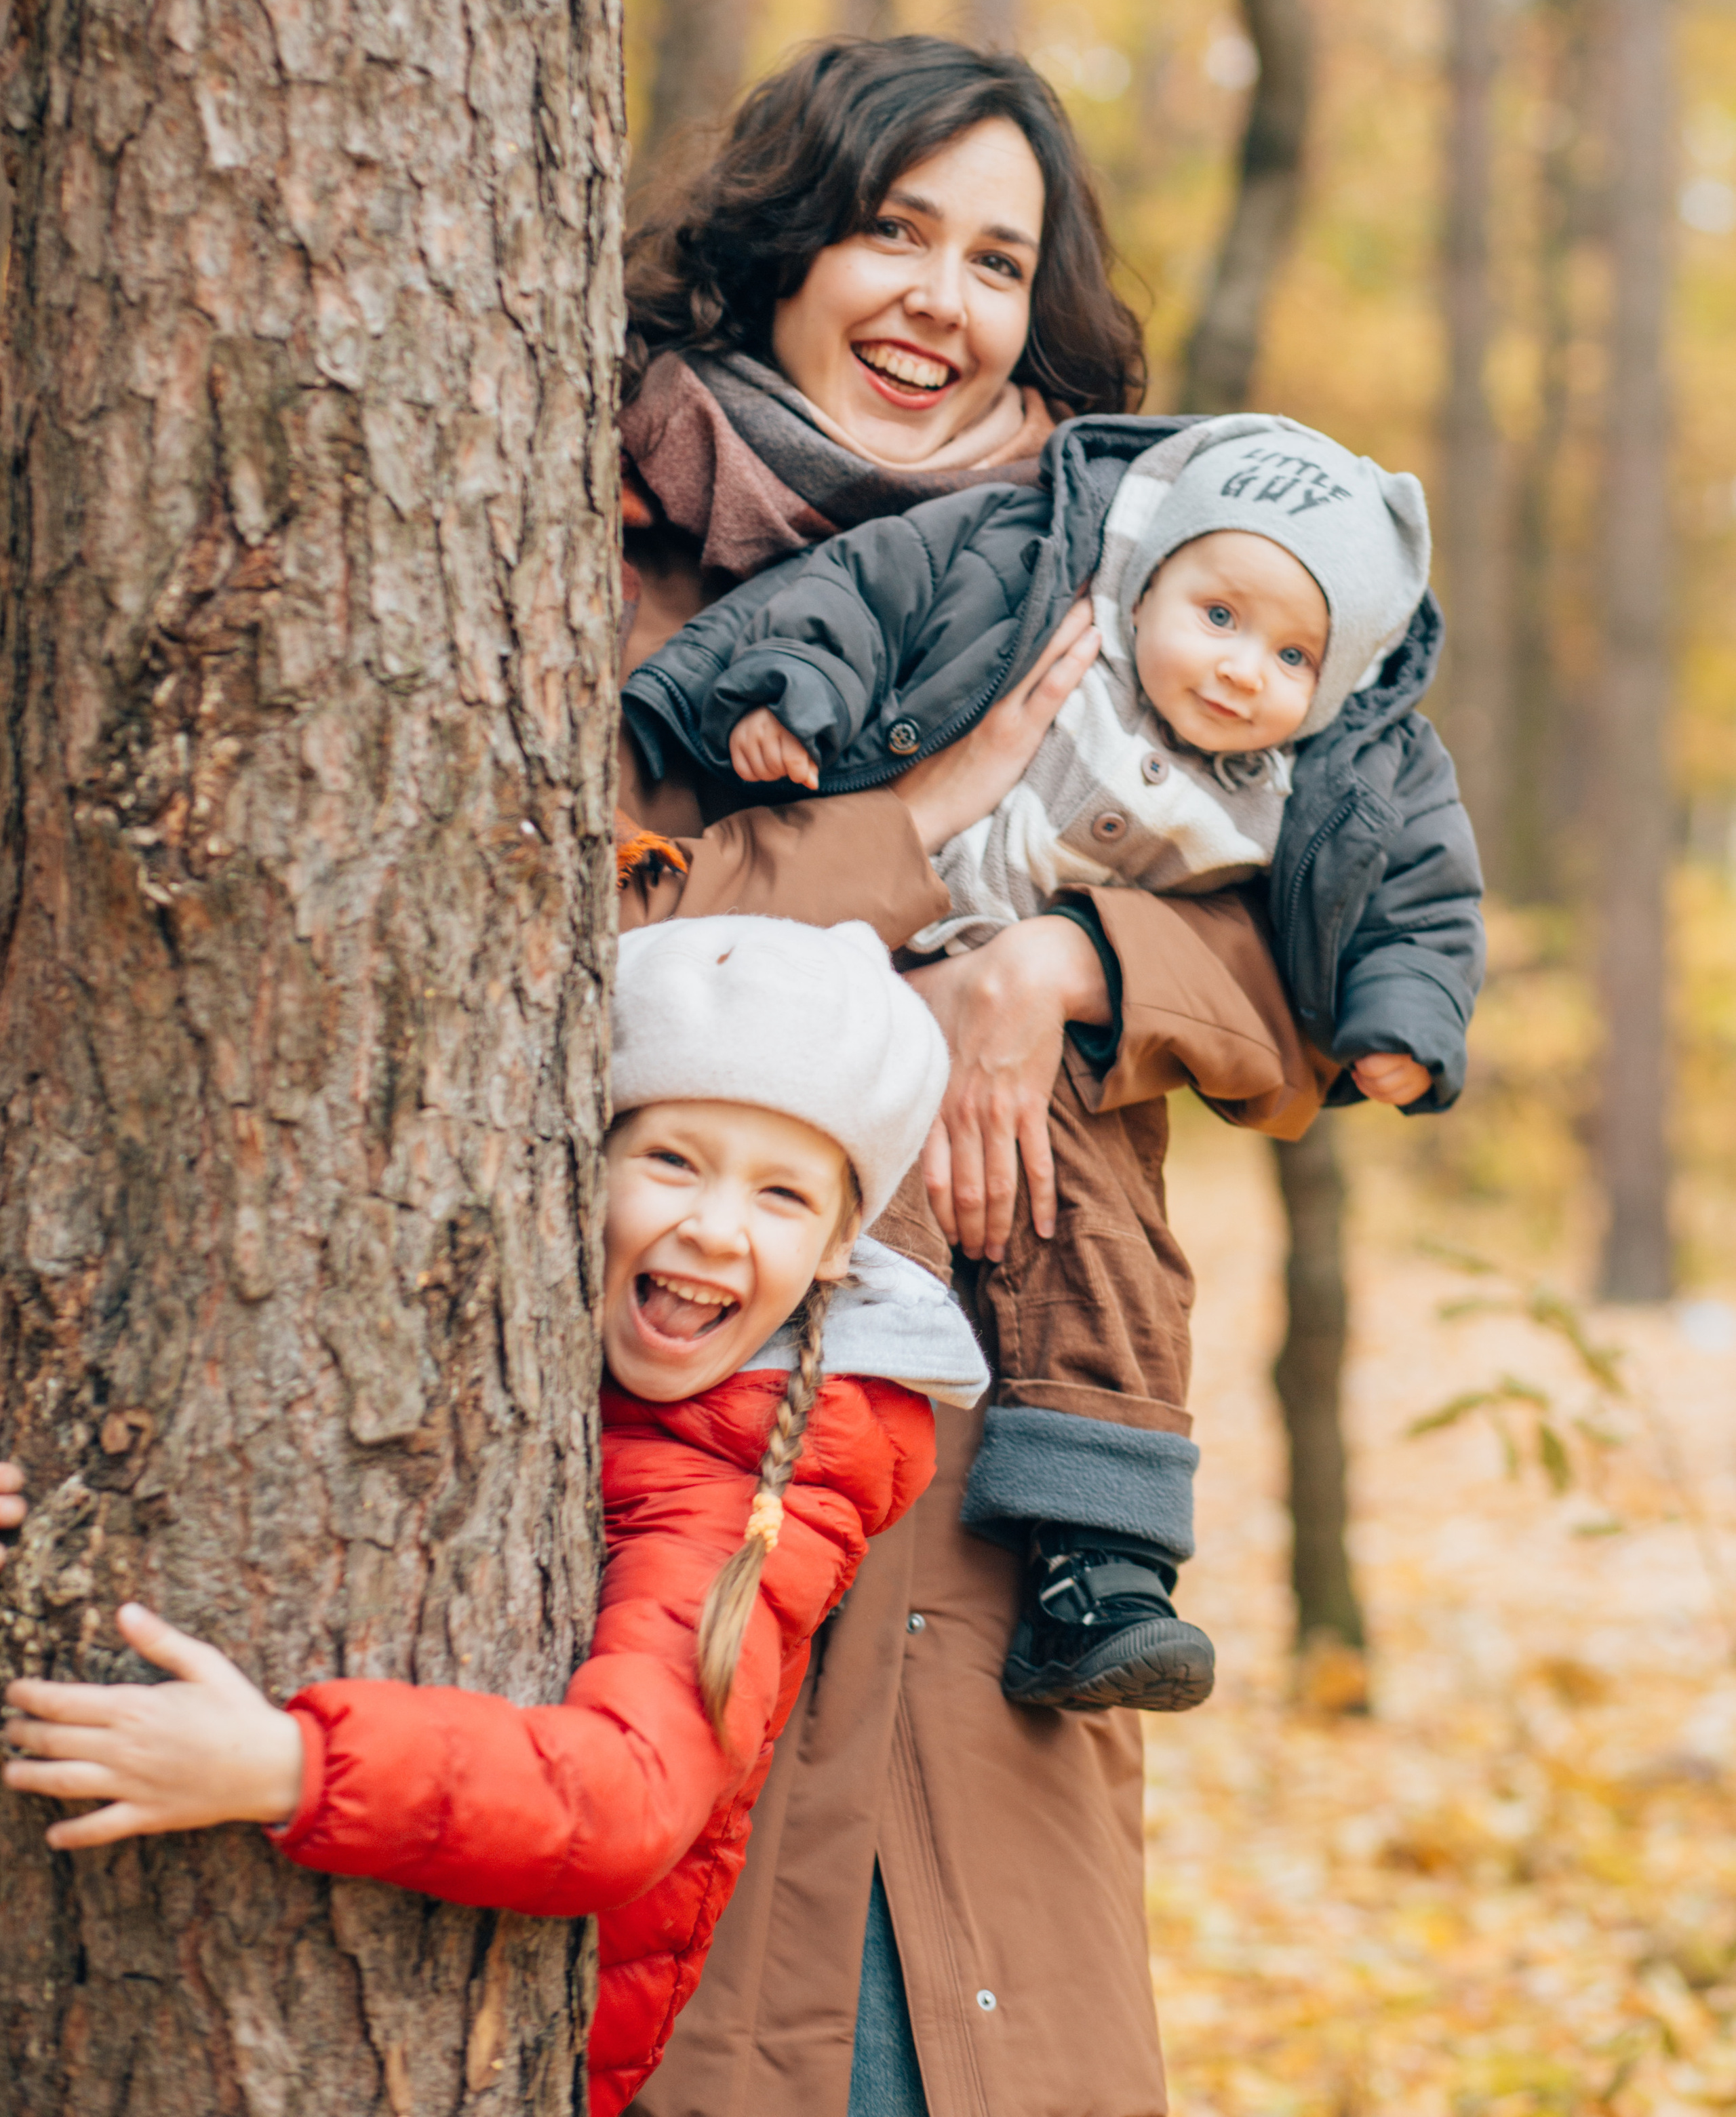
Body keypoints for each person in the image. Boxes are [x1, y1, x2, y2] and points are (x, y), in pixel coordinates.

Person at [2, 917, 985, 2117]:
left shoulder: (753, 1488)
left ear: (840, 1248)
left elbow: (624, 1797)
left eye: (782, 1194)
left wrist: (285, 1763)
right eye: (673, 1160)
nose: (720, 1227)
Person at [625, 408, 1485, 1712]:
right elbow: (856, 603)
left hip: (1071, 1061)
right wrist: (794, 697)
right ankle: (795, 1471)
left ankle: (1106, 1558)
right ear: (1150, 574)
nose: (1246, 669)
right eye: (1219, 616)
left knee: (1114, 1260)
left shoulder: (1326, 762)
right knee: (864, 1231)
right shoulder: (1039, 597)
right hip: (868, 974)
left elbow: (1420, 888)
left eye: (1293, 651)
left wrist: (1403, 1021)